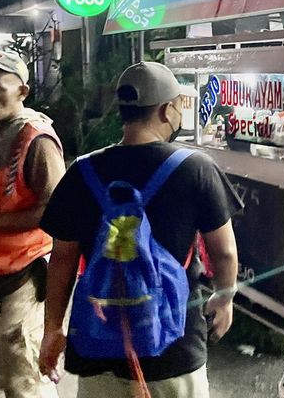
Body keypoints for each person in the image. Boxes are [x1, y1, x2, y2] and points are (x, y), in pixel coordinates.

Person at [39, 61, 242, 397]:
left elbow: (61, 259)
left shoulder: (82, 171)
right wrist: (224, 298)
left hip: (96, 344)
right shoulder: (196, 168)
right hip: (174, 347)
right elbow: (224, 251)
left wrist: (52, 329)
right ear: (167, 110)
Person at [0, 49, 65, 398]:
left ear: (22, 92)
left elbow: (59, 209)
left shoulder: (36, 140)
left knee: (27, 379)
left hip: (23, 278)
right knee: (6, 373)